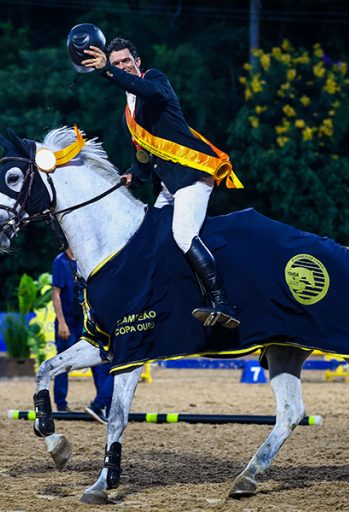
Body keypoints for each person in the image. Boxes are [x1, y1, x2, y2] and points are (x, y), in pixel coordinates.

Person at [82, 37, 242, 329]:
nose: (122, 67)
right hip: (168, 186)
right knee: (150, 239)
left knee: (182, 234)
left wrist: (108, 71)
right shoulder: (128, 113)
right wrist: (134, 174)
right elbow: (144, 154)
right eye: (116, 63)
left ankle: (223, 302)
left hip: (192, 176)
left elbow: (151, 93)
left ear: (137, 62)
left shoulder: (154, 79)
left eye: (125, 61)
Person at [52, 247, 113, 424]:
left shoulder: (84, 259)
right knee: (64, 362)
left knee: (99, 362)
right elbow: (56, 294)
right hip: (68, 322)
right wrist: (61, 322)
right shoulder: (60, 262)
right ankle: (61, 405)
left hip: (86, 322)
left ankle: (102, 405)